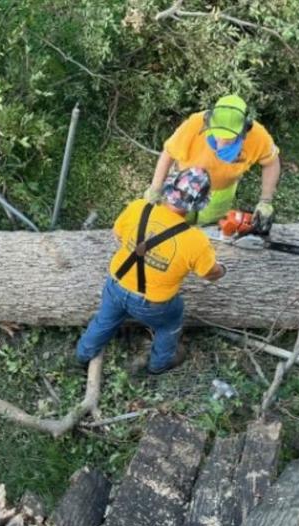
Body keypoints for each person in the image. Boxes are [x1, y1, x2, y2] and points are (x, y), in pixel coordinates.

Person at [76, 168, 227, 375]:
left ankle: (82, 355)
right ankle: (159, 364)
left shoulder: (139, 208)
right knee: (170, 323)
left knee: (104, 320)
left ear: (170, 189)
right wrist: (222, 269)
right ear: (198, 204)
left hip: (116, 286)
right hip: (153, 304)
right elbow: (210, 273)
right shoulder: (196, 241)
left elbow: (118, 234)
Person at [145, 94, 281, 232]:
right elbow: (168, 153)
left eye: (228, 140)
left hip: (221, 190)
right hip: (185, 186)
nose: (220, 145)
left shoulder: (258, 136)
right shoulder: (194, 124)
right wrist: (155, 188)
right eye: (217, 136)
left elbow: (271, 162)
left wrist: (266, 201)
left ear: (245, 128)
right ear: (209, 121)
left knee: (208, 228)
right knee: (172, 224)